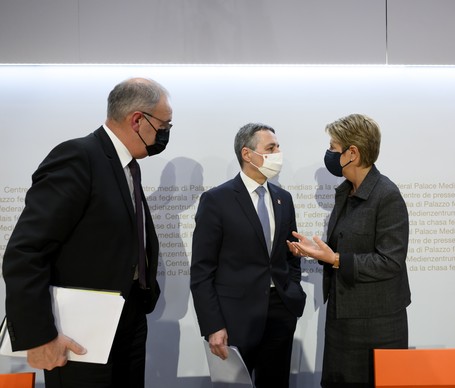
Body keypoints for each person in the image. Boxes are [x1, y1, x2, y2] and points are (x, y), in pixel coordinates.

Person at [2, 78, 172, 387]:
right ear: (137, 120)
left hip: (128, 319)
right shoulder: (79, 157)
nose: (165, 133)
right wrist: (39, 337)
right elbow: (26, 252)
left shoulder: (128, 167)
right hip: (81, 334)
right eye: (164, 124)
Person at [288, 113, 411, 388]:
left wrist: (335, 258)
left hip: (377, 324)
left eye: (333, 147)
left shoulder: (387, 194)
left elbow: (390, 261)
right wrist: (317, 252)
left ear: (352, 153)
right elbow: (343, 250)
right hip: (342, 320)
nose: (329, 154)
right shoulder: (345, 191)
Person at [190, 123, 306, 388]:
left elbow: (291, 254)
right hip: (234, 319)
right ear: (247, 154)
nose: (278, 153)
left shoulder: (283, 198)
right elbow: (202, 270)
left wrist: (293, 289)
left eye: (278, 147)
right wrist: (213, 325)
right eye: (271, 148)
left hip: (280, 314)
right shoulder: (216, 200)